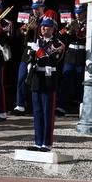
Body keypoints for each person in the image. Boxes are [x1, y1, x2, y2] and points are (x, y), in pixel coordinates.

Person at [25, 10, 65, 152]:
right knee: (37, 112)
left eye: (47, 26)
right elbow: (28, 56)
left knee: (48, 112)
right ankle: (38, 141)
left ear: (53, 28)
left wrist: (38, 51)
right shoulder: (38, 41)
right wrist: (29, 60)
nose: (43, 28)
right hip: (37, 78)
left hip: (48, 79)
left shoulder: (58, 44)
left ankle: (47, 143)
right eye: (42, 26)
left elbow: (51, 59)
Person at [11, 0, 46, 116]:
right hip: (27, 51)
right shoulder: (28, 17)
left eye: (38, 8)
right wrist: (23, 29)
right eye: (34, 8)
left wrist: (37, 27)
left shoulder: (47, 18)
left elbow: (50, 34)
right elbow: (16, 34)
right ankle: (19, 105)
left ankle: (35, 105)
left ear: (43, 7)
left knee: (37, 80)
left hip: (40, 51)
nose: (35, 11)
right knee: (21, 77)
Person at [55, 0, 87, 117]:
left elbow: (83, 36)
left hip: (82, 55)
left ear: (85, 12)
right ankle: (60, 106)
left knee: (80, 82)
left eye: (80, 13)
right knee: (65, 80)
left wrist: (77, 30)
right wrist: (66, 30)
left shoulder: (89, 22)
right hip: (70, 54)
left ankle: (83, 108)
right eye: (76, 13)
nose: (78, 15)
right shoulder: (71, 21)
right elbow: (60, 36)